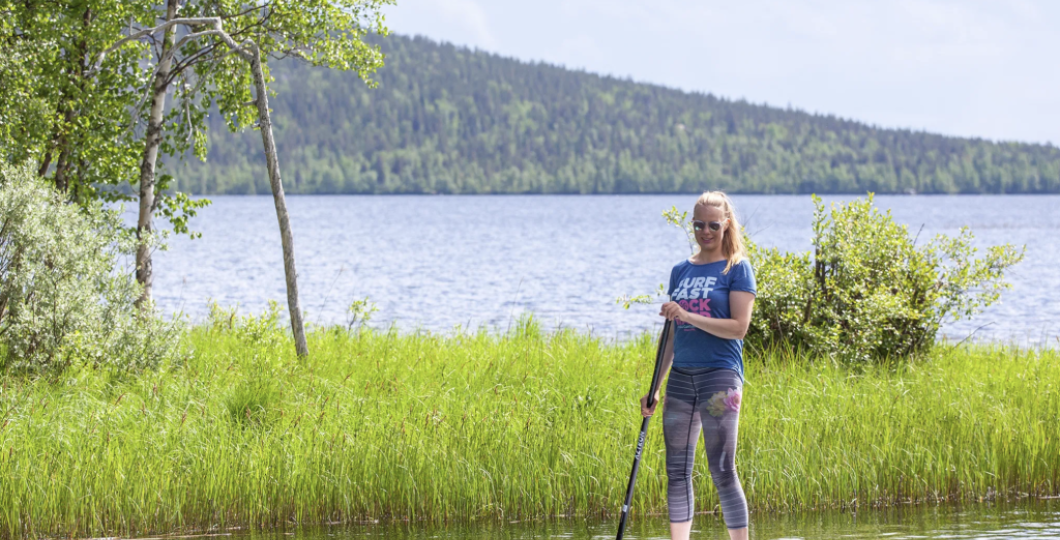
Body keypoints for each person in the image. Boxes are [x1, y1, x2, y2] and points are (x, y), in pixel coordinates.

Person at [640, 191, 757, 540]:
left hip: (720, 377)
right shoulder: (681, 271)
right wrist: (654, 387)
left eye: (713, 225)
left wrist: (688, 315)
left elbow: (739, 328)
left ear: (726, 225)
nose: (705, 231)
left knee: (722, 468)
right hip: (680, 380)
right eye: (698, 225)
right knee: (676, 471)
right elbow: (671, 337)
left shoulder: (737, 268)